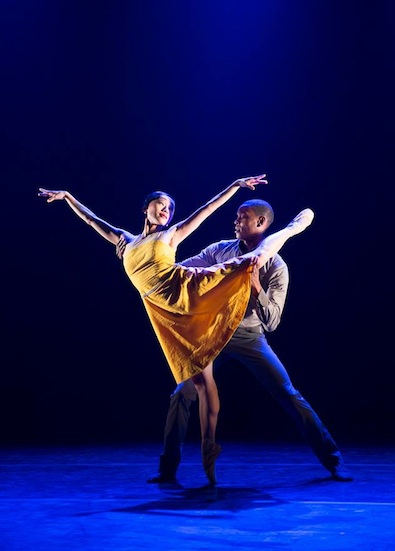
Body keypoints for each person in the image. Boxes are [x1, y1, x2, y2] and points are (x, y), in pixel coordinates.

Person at [38, 176, 314, 485]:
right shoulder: (125, 241)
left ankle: (291, 229)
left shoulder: (172, 234)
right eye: (161, 204)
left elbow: (207, 209)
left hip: (202, 302)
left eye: (170, 207)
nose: (167, 210)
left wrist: (235, 186)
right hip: (177, 312)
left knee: (249, 262)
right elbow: (93, 222)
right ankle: (185, 460)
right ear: (146, 208)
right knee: (191, 388)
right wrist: (67, 197)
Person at [116, 198, 353, 484]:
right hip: (210, 332)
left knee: (288, 393)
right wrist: (136, 254)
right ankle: (167, 469)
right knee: (181, 394)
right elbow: (175, 271)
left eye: (244, 217)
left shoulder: (276, 267)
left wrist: (256, 290)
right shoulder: (220, 250)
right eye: (237, 216)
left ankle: (333, 460)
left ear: (261, 223)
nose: (236, 221)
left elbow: (272, 321)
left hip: (247, 335)